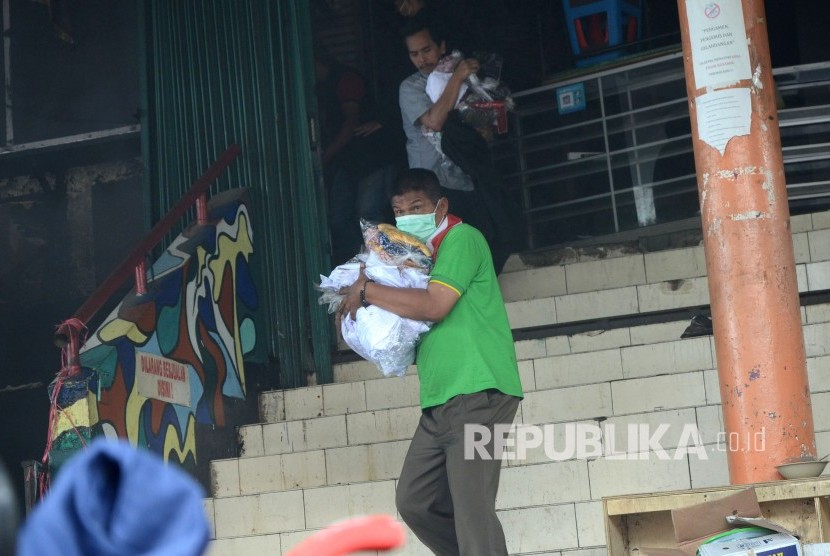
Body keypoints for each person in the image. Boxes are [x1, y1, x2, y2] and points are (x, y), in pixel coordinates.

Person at [338, 168, 523, 555]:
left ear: (441, 206)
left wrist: (369, 290)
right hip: (440, 398)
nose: (407, 217)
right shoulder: (414, 258)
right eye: (399, 210)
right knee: (414, 500)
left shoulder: (462, 238)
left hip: (479, 389)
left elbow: (436, 306)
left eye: (417, 207)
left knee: (472, 511)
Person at [398, 15, 525, 274]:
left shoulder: (464, 80)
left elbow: (483, 128)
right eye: (414, 54)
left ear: (442, 46)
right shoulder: (410, 87)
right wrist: (457, 78)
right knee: (445, 252)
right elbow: (433, 121)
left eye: (427, 50)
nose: (422, 59)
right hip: (431, 185)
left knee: (484, 239)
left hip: (466, 179)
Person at [315, 49, 404, 265]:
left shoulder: (346, 79)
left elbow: (350, 122)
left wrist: (325, 156)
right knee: (338, 217)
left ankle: (383, 267)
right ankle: (359, 263)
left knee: (369, 213)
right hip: (347, 162)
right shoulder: (321, 87)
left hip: (371, 157)